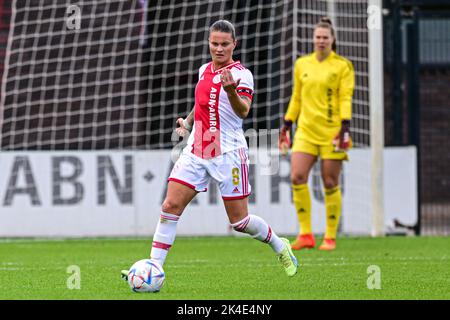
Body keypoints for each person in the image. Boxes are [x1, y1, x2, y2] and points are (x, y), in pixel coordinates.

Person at [123, 20, 298, 281]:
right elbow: (201, 102)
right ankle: (154, 268)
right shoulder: (204, 69)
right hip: (200, 144)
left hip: (228, 151)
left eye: (224, 44)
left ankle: (280, 245)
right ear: (209, 43)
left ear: (234, 45)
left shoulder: (242, 75)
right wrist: (189, 121)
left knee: (239, 221)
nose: (218, 48)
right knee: (170, 205)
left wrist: (230, 91)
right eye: (214, 43)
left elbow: (243, 111)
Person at [279, 17, 355, 251]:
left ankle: (330, 237)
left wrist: (345, 127)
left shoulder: (342, 66)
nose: (321, 40)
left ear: (332, 40)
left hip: (332, 131)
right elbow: (297, 97)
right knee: (296, 176)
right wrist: (287, 123)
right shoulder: (302, 64)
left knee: (330, 181)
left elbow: (345, 97)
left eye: (325, 37)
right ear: (313, 39)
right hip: (306, 131)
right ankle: (306, 235)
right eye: (318, 37)